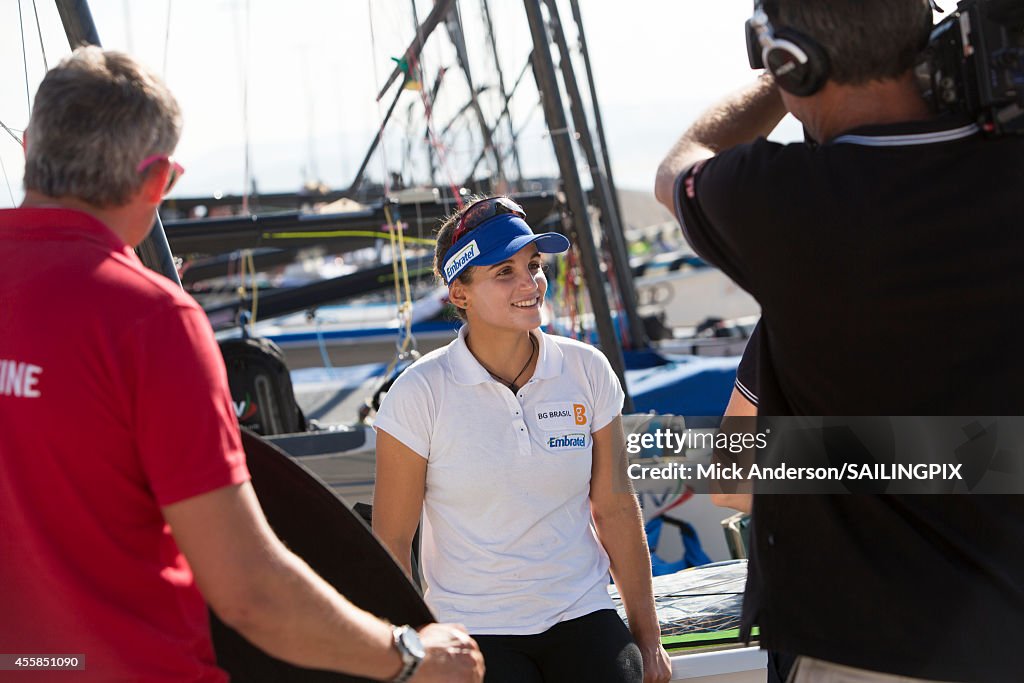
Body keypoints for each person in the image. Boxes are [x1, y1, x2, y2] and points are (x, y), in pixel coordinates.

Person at [0, 47, 483, 683]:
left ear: (31, 145)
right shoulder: (147, 320)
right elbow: (249, 593)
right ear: (158, 182)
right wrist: (412, 656)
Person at [655, 1, 1024, 681]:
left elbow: (734, 474)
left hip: (868, 652)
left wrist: (778, 74)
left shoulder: (789, 211)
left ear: (790, 61)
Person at [372, 196, 672, 683]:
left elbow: (615, 508)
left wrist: (649, 639)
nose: (530, 283)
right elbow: (391, 539)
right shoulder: (418, 392)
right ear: (460, 293)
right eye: (504, 272)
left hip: (582, 613)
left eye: (533, 265)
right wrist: (414, 653)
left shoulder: (587, 369)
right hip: (474, 629)